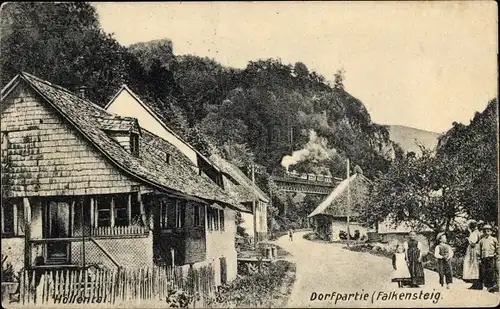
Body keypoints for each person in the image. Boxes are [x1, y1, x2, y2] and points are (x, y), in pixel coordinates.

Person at [479, 224, 498, 293]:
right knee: (484, 272)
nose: (486, 232)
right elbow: (479, 250)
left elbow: (497, 248)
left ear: (491, 232)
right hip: (484, 258)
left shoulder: (494, 239)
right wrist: (479, 258)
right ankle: (485, 285)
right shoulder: (481, 240)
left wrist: (496, 254)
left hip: (491, 257)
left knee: (491, 272)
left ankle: (491, 286)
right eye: (485, 231)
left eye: (488, 231)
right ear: (483, 232)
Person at [463, 220, 482, 289]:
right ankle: (476, 283)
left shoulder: (475, 233)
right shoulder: (475, 232)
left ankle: (477, 284)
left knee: (474, 266)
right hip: (473, 250)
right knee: (474, 266)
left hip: (473, 251)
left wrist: (468, 239)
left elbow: (473, 244)